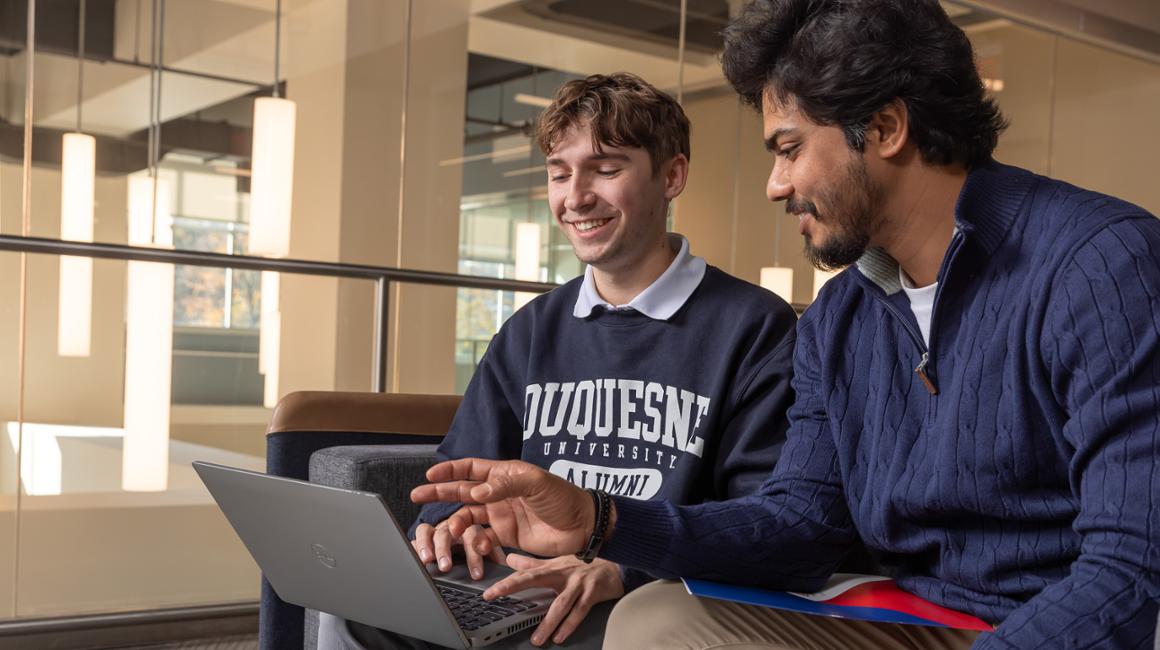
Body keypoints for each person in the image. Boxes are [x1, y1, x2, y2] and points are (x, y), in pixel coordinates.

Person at [411, 1, 1160, 648]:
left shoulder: (1100, 264)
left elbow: (1130, 572)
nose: (775, 186)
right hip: (914, 619)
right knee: (658, 621)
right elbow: (801, 528)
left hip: (1059, 623)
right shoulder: (841, 316)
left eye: (789, 149)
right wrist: (599, 518)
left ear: (887, 127)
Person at [323, 72, 798, 649]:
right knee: (353, 611)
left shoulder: (755, 328)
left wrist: (625, 569)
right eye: (559, 173)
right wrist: (451, 528)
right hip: (510, 583)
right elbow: (457, 477)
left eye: (605, 168)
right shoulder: (529, 331)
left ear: (671, 176)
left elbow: (762, 519)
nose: (575, 197)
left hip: (636, 595)